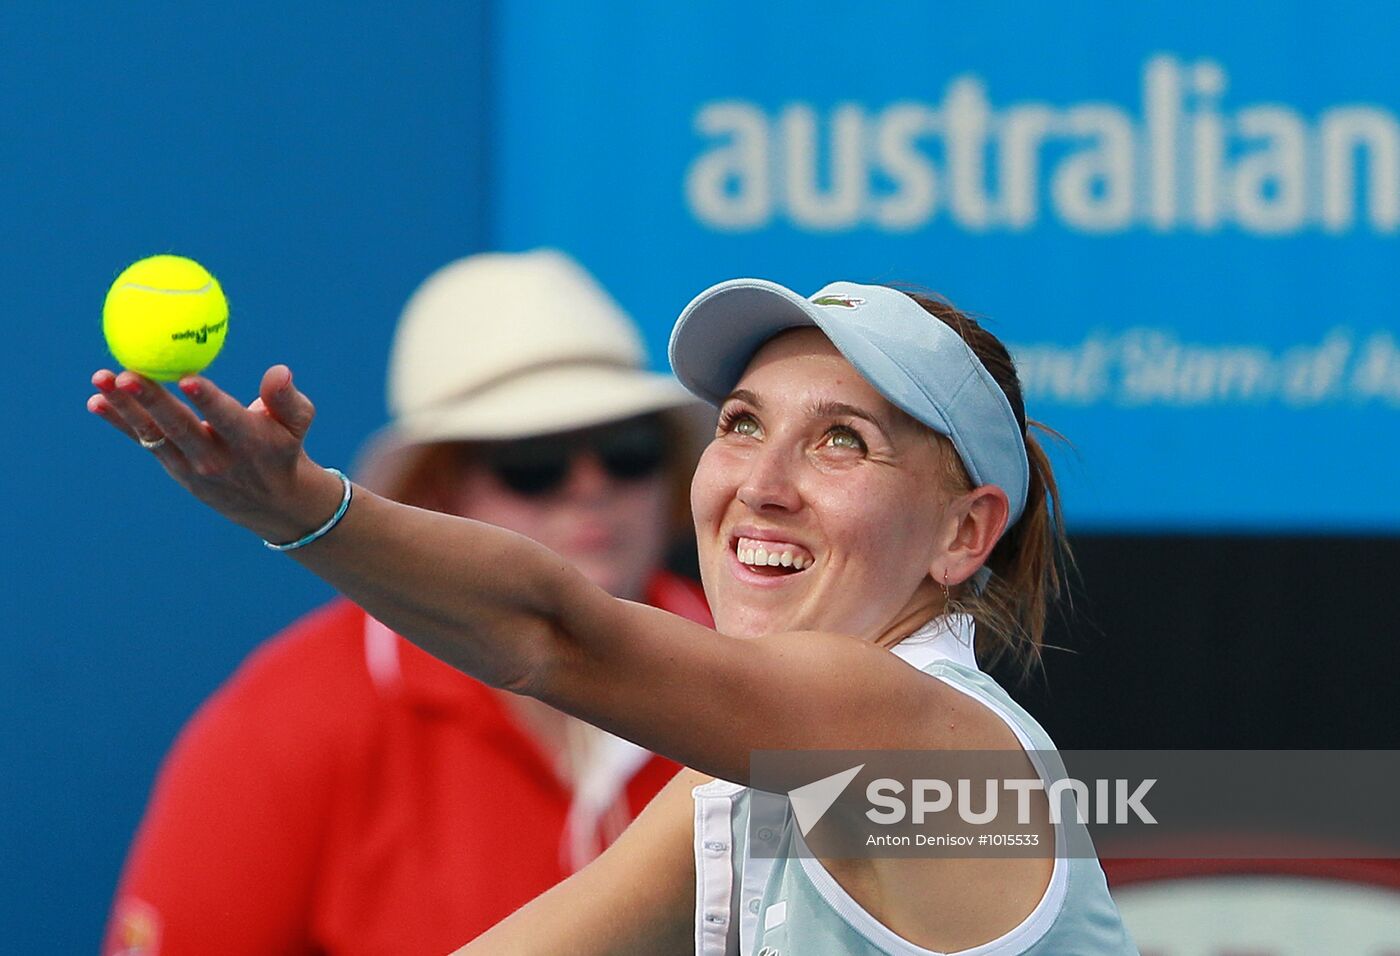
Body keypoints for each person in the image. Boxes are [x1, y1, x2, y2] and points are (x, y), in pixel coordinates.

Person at [89, 276, 1137, 953]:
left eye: (841, 442)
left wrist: (305, 511)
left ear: (964, 533)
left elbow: (552, 633)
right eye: (739, 423)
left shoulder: (906, 733)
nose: (759, 483)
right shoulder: (730, 788)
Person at [99, 250, 712, 955]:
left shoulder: (760, 670)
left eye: (628, 449)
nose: (589, 486)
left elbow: (867, 865)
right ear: (435, 493)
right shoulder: (283, 721)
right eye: (533, 462)